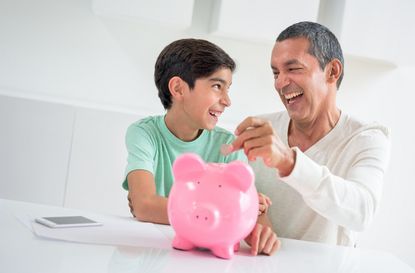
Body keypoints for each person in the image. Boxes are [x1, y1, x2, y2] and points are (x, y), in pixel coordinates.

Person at [230, 21, 390, 247]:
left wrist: (289, 162)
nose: (279, 82)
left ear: (332, 71)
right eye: (276, 72)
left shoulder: (366, 138)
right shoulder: (261, 129)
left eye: (293, 69)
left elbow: (361, 211)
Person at [122, 38, 278, 255]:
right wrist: (223, 217)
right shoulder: (144, 134)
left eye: (228, 89)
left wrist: (257, 223)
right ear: (178, 88)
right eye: (217, 86)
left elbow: (252, 216)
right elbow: (144, 205)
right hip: (152, 254)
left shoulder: (228, 145)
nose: (227, 100)